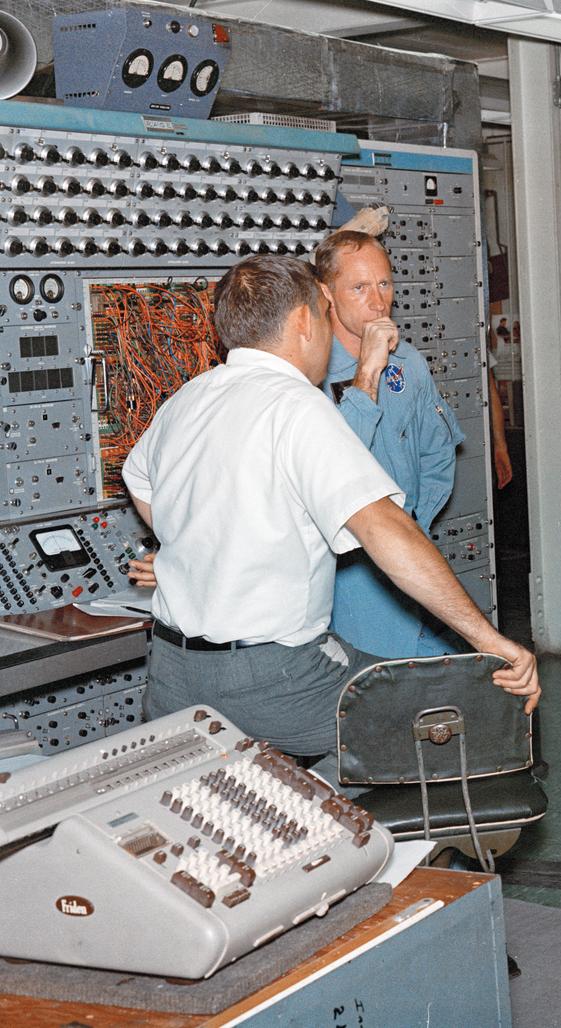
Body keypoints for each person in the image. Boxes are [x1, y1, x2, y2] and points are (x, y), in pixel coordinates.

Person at [122, 255, 539, 762]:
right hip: (275, 681)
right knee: (467, 714)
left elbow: (141, 483)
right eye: (324, 314)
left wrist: (207, 550)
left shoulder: (186, 401)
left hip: (170, 676)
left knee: (376, 673)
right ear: (303, 321)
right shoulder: (297, 406)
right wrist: (489, 640)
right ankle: (345, 829)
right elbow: (386, 528)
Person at [313, 230, 465, 660]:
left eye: (384, 284)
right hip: (346, 565)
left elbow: (438, 454)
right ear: (326, 293)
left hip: (405, 545)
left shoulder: (409, 364)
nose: (378, 302)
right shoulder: (311, 371)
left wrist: (413, 523)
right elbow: (331, 468)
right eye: (359, 288)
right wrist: (367, 371)